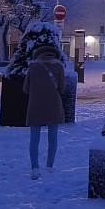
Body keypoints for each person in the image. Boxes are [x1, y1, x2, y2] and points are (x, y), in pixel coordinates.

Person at [23, 45, 66, 180]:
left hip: (35, 105)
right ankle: (49, 166)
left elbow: (26, 88)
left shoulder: (33, 67)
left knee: (34, 138)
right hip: (54, 105)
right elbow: (62, 88)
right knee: (53, 137)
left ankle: (35, 168)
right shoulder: (59, 66)